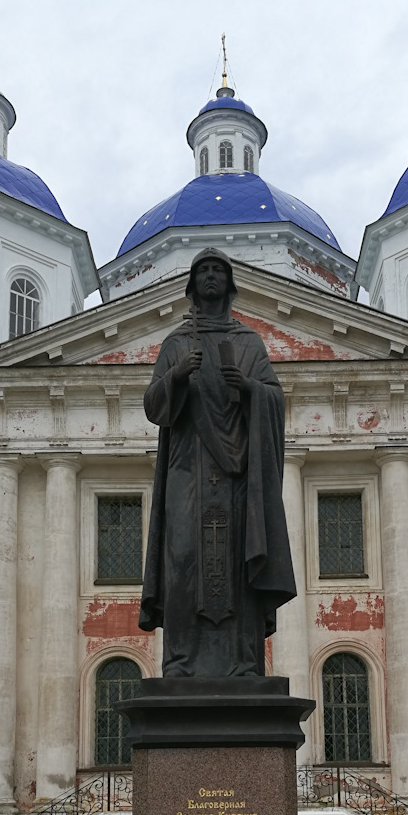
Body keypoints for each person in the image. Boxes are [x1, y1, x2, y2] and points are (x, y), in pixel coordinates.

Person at [140, 249, 295, 677]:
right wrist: (174, 376)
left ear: (229, 284)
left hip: (238, 474)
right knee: (183, 558)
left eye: (218, 271)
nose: (211, 277)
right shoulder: (176, 343)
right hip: (186, 469)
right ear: (192, 286)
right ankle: (180, 662)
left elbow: (274, 397)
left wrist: (248, 388)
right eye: (203, 271)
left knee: (237, 562)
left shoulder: (248, 343)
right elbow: (153, 407)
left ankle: (244, 663)